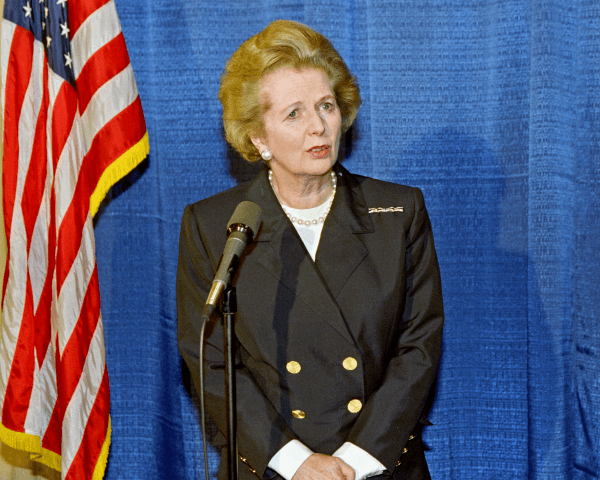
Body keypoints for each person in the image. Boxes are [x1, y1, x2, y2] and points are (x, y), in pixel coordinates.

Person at [177, 20, 444, 480]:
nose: (319, 126)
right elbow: (211, 361)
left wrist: (353, 463)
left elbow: (418, 348)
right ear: (258, 138)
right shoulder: (214, 226)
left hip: (377, 464)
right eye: (294, 114)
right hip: (273, 468)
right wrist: (297, 462)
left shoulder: (399, 212)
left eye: (326, 106)